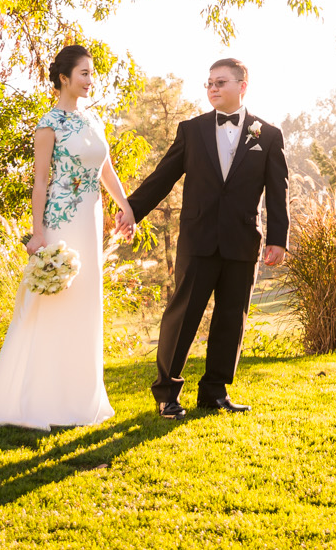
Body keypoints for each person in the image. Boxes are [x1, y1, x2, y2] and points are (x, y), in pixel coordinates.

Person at [0, 44, 134, 430]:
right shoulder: (49, 124)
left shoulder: (94, 120)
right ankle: (40, 400)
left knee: (85, 305)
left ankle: (81, 398)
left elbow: (105, 171)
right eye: (85, 74)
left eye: (92, 73)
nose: (91, 81)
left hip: (90, 223)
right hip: (61, 223)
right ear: (64, 78)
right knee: (55, 303)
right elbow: (40, 182)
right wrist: (38, 233)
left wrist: (125, 207)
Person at [121, 57, 289, 419]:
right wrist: (132, 209)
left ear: (242, 86)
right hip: (198, 239)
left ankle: (214, 392)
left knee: (232, 318)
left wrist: (278, 238)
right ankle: (167, 394)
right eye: (209, 83)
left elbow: (278, 191)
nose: (213, 88)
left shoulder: (268, 135)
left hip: (242, 240)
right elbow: (162, 177)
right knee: (182, 316)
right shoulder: (192, 130)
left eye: (221, 82)